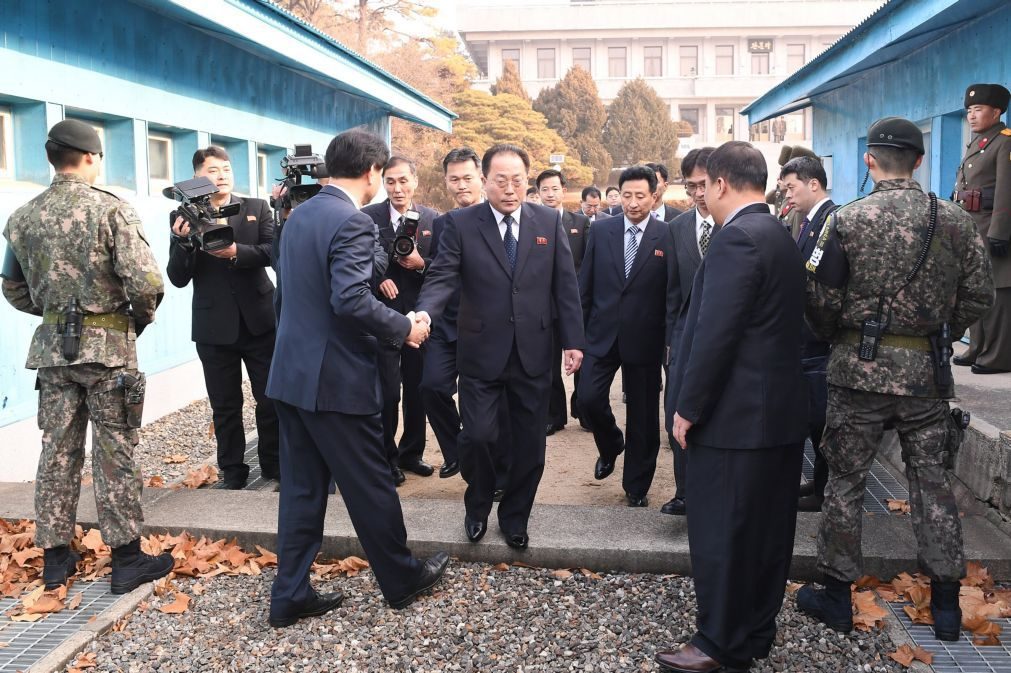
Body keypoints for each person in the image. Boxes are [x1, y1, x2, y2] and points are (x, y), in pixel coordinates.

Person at [798, 117, 994, 642]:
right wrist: (939, 331)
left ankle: (837, 597)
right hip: (926, 378)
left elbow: (818, 301)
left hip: (855, 375)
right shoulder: (952, 220)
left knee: (845, 481)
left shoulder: (844, 221)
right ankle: (948, 607)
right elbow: (981, 296)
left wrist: (839, 334)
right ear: (921, 160)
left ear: (869, 160)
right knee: (932, 483)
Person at [266, 130, 448, 627]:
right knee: (371, 485)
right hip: (337, 381)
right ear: (371, 172)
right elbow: (349, 298)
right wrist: (404, 329)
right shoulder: (351, 222)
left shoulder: (298, 215)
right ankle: (401, 578)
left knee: (302, 491)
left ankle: (290, 594)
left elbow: (289, 298)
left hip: (292, 375)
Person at [1, 119, 174, 594]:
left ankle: (56, 562)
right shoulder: (111, 211)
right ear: (92, 158)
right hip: (109, 352)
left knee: (56, 452)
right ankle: (126, 560)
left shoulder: (22, 217)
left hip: (53, 354)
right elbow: (147, 283)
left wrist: (55, 312)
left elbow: (13, 289)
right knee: (114, 451)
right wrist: (133, 319)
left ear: (53, 159)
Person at [657, 141, 808, 673]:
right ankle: (755, 630)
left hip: (737, 420)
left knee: (722, 533)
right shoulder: (778, 234)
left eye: (705, 187)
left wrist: (687, 407)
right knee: (766, 534)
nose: (702, 197)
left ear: (720, 183)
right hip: (777, 417)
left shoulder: (736, 239)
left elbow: (714, 334)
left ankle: (718, 642)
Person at [416, 144, 584, 550]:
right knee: (477, 436)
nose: (510, 189)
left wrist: (573, 341)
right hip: (480, 350)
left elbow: (565, 284)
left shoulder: (547, 219)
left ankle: (514, 517)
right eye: (501, 180)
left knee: (530, 445)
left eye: (518, 180)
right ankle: (477, 507)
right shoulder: (459, 223)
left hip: (533, 351)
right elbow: (441, 276)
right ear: (485, 180)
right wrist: (424, 313)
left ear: (527, 181)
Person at [167, 146, 279, 489]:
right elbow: (177, 276)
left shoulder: (256, 207)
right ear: (198, 177)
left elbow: (272, 252)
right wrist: (180, 241)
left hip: (260, 320)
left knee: (271, 399)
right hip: (214, 326)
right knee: (225, 405)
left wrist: (236, 254)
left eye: (227, 168)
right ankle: (233, 472)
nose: (222, 175)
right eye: (213, 170)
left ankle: (274, 465)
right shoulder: (183, 214)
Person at [577, 165, 676, 507]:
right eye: (627, 195)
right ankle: (610, 444)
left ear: (654, 196)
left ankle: (637, 485)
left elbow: (671, 293)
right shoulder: (601, 231)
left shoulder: (668, 234)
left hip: (646, 339)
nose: (633, 203)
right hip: (601, 334)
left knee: (644, 416)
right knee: (588, 399)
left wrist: (669, 338)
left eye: (640, 196)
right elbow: (585, 286)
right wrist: (577, 334)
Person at [422, 149, 513, 489]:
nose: (461, 185)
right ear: (446, 182)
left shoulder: (504, 219)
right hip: (448, 326)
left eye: (467, 177)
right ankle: (458, 452)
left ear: (482, 178)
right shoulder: (443, 223)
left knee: (497, 410)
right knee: (431, 387)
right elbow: (440, 274)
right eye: (454, 179)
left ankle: (499, 477)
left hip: (490, 331)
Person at [362, 156, 439, 485]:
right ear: (382, 183)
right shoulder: (366, 217)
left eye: (403, 180)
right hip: (384, 318)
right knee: (388, 393)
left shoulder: (433, 219)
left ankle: (412, 452)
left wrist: (421, 263)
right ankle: (386, 457)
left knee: (418, 390)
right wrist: (377, 279)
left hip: (421, 317)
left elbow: (445, 267)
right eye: (390, 181)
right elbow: (356, 263)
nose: (397, 188)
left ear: (415, 181)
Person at [780, 155, 837, 513]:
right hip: (806, 335)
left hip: (818, 338)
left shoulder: (830, 220)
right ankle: (818, 482)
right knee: (813, 416)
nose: (788, 194)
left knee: (820, 419)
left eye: (791, 187)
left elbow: (818, 275)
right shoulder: (808, 220)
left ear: (813, 184)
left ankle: (824, 489)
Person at [661, 146, 716, 517]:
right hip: (683, 338)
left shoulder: (737, 224)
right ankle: (684, 492)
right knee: (676, 415)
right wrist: (669, 344)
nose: (698, 193)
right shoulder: (675, 229)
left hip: (724, 338)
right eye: (691, 185)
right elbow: (670, 295)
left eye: (705, 184)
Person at [952, 83, 1011, 374]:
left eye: (978, 110)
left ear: (996, 111)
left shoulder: (1005, 141)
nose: (971, 116)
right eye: (969, 111)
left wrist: (1000, 231)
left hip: (992, 228)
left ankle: (996, 356)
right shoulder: (977, 142)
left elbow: (1006, 190)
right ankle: (976, 348)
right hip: (973, 226)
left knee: (998, 292)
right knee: (975, 288)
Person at [537, 169, 591, 436]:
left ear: (563, 190)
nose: (550, 194)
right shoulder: (532, 223)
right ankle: (553, 415)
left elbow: (589, 264)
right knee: (547, 363)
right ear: (538, 193)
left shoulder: (580, 223)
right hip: (544, 305)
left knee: (581, 356)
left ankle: (582, 409)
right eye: (544, 189)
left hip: (576, 304)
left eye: (554, 188)